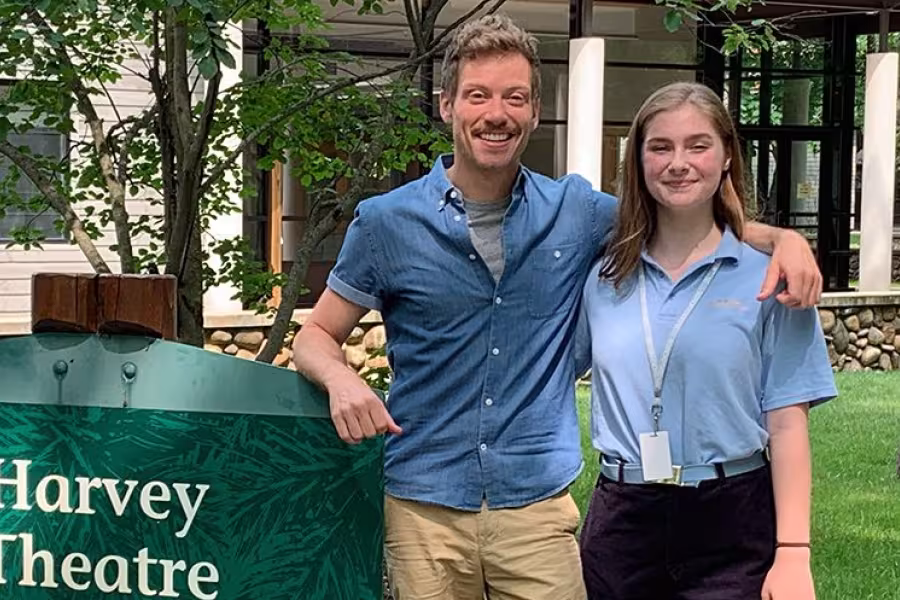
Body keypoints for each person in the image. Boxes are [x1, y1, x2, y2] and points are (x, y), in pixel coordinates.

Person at [292, 15, 822, 600]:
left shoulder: (577, 212)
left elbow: (679, 206)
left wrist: (782, 240)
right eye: (478, 95)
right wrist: (341, 379)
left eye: (514, 97)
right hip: (424, 508)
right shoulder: (387, 223)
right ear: (446, 106)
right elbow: (314, 336)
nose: (497, 113)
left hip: (537, 511)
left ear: (535, 112)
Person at [575, 81, 837, 600]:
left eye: (698, 145)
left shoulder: (770, 276)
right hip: (622, 521)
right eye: (660, 147)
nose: (679, 162)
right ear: (639, 161)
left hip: (731, 517)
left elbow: (786, 425)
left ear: (725, 159)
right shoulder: (602, 275)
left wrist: (793, 553)